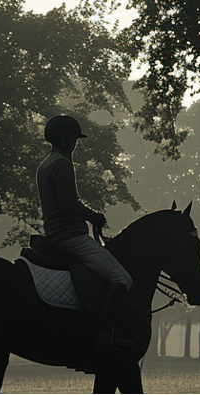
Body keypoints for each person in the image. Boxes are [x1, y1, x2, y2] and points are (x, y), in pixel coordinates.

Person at [36, 114, 134, 356]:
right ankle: (105, 335)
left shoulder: (45, 165)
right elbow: (69, 204)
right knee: (122, 278)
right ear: (64, 139)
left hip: (55, 234)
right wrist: (95, 217)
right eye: (73, 139)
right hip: (70, 237)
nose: (75, 144)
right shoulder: (61, 164)